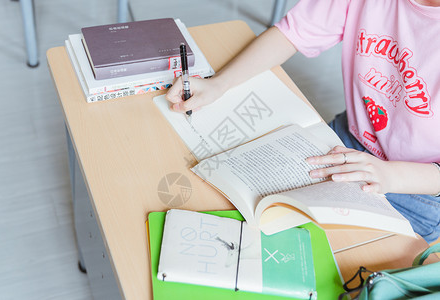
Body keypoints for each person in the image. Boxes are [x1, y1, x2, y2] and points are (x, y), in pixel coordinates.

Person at [166, 0, 440, 243]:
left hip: (417, 189)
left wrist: (390, 175)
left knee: (332, 252)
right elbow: (293, 33)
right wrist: (219, 84)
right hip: (348, 139)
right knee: (237, 205)